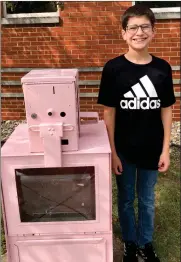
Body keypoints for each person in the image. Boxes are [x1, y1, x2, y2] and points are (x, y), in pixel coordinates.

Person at [97, 3, 176, 262]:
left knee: (147, 200)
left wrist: (165, 148)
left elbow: (167, 110)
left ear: (153, 31)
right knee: (126, 199)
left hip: (152, 150)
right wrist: (113, 153)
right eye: (133, 27)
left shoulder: (162, 68)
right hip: (124, 151)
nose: (138, 32)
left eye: (144, 27)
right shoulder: (113, 69)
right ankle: (130, 244)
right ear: (123, 33)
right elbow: (109, 113)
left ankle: (145, 244)